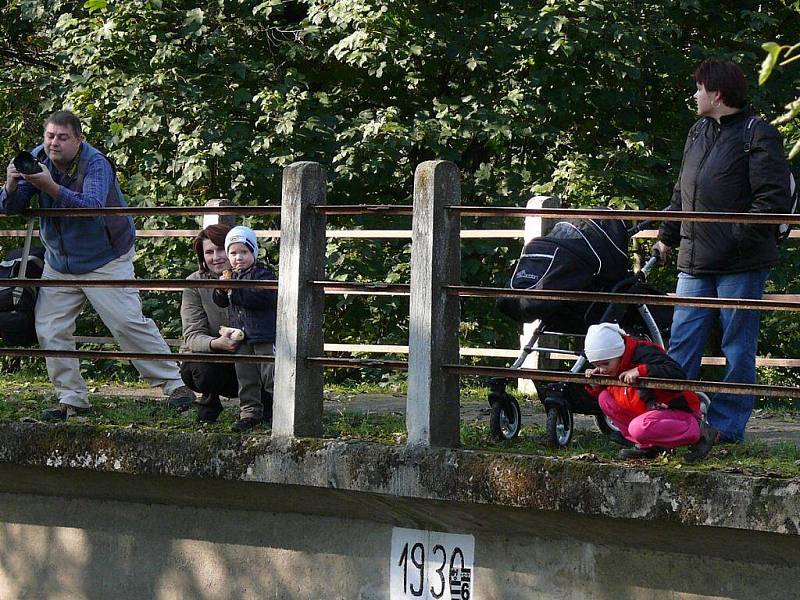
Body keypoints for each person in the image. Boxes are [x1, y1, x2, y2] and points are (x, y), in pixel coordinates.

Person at [0, 110, 196, 420]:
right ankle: (72, 399)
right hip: (59, 262)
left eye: (63, 138)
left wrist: (50, 186)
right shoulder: (37, 159)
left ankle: (176, 385)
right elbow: (11, 209)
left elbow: (91, 208)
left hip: (105, 258)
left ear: (79, 140)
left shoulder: (96, 164)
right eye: (50, 136)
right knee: (50, 329)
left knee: (127, 323)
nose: (54, 143)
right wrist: (11, 186)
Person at [653, 58, 792, 460]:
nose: (694, 95)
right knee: (681, 345)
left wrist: (735, 238)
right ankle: (675, 423)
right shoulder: (697, 132)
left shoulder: (758, 134)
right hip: (693, 262)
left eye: (698, 88)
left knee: (737, 347)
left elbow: (773, 199)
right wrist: (666, 237)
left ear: (716, 93)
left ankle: (727, 427)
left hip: (740, 264)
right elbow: (683, 191)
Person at [584, 322, 702, 460]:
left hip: (679, 411)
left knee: (638, 428)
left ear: (619, 352)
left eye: (606, 364)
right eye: (597, 365)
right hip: (652, 412)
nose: (602, 369)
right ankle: (648, 447)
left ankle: (697, 431)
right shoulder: (616, 363)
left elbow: (677, 373)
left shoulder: (645, 352)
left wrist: (642, 371)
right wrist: (596, 385)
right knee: (604, 398)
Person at [213, 225, 277, 432]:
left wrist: (235, 290)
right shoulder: (229, 276)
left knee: (271, 376)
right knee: (246, 378)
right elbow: (221, 302)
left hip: (263, 335)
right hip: (240, 337)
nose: (238, 257)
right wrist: (221, 291)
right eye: (233, 252)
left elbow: (263, 298)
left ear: (253, 252)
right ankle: (249, 413)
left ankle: (281, 411)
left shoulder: (263, 274)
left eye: (244, 252)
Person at [180, 223, 242, 423]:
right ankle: (209, 403)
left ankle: (259, 408)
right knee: (206, 370)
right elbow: (192, 336)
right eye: (209, 252)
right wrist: (218, 343)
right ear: (202, 257)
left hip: (248, 353)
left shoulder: (255, 277)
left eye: (221, 249)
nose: (216, 257)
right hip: (210, 355)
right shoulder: (194, 284)